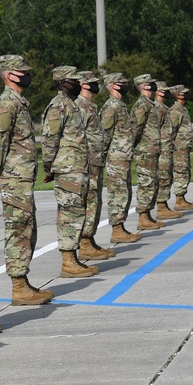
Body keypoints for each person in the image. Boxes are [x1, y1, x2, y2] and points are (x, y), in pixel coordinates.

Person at [0, 55, 54, 306]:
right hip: (13, 179)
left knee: (27, 229)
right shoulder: (6, 104)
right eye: (22, 71)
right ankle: (18, 286)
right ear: (10, 75)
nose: (27, 74)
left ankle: (22, 282)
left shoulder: (17, 102)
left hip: (22, 178)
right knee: (19, 231)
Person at [42, 66, 97, 279]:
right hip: (67, 169)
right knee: (69, 214)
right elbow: (49, 139)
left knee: (76, 213)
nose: (78, 84)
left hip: (76, 168)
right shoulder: (58, 105)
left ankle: (72, 257)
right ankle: (67, 261)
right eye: (73, 80)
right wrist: (50, 167)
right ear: (63, 82)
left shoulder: (70, 105)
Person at [75, 71, 116, 260]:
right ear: (82, 84)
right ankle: (84, 243)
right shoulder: (80, 107)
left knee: (95, 201)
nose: (94, 85)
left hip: (96, 161)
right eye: (90, 82)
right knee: (89, 202)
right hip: (88, 162)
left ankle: (89, 240)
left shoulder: (90, 105)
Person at [100, 73, 142, 244]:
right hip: (115, 158)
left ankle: (121, 227)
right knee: (117, 193)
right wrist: (103, 156)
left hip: (123, 157)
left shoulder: (120, 105)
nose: (125, 85)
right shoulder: (110, 107)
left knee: (124, 192)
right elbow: (105, 134)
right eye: (122, 83)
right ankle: (117, 229)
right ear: (113, 85)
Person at [131, 74, 164, 231]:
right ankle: (143, 217)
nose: (153, 85)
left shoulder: (150, 104)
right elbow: (136, 128)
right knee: (146, 183)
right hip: (145, 151)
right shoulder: (141, 105)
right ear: (144, 86)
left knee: (153, 183)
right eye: (150, 83)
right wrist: (134, 147)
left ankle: (147, 215)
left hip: (152, 151)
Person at [154, 82, 183, 221]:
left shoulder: (164, 108)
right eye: (164, 90)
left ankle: (163, 205)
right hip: (161, 149)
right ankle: (161, 207)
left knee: (167, 177)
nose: (167, 93)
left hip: (167, 148)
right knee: (163, 177)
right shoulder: (157, 108)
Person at [169, 85, 193, 210]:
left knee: (185, 171)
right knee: (181, 171)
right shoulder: (176, 110)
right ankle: (179, 200)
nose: (187, 94)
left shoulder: (182, 109)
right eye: (184, 93)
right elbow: (172, 130)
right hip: (179, 148)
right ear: (179, 95)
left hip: (183, 146)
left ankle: (182, 198)